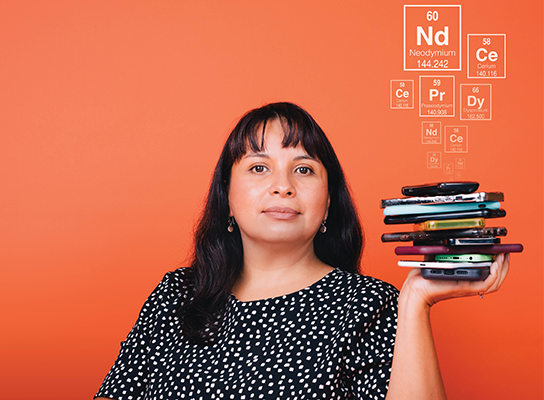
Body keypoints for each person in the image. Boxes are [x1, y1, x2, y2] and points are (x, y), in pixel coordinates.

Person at [94, 102, 510, 400]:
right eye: (259, 167)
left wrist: (415, 302)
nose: (283, 185)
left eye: (305, 168)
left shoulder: (373, 306)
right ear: (227, 198)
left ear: (328, 202)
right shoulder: (176, 295)